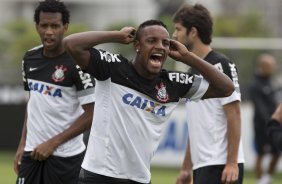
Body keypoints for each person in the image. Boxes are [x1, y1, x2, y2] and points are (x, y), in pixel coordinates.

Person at [63, 19, 235, 184]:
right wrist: (117, 35)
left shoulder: (173, 83)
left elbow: (226, 88)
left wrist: (187, 56)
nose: (159, 46)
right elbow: (71, 43)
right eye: (151, 40)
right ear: (137, 45)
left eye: (165, 43)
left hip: (140, 179)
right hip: (100, 175)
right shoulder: (113, 68)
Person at [14, 1, 95, 184]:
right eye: (44, 25)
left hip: (65, 158)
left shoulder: (77, 63)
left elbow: (92, 113)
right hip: (31, 153)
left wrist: (53, 143)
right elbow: (33, 102)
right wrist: (22, 145)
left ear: (65, 27)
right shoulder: (29, 58)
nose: (48, 31)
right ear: (36, 27)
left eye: (54, 26)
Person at [172, 3, 245, 184]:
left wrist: (231, 163)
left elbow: (234, 113)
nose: (174, 35)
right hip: (202, 166)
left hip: (220, 165)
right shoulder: (191, 72)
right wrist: (186, 167)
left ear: (193, 32)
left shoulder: (220, 65)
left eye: (178, 29)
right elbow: (196, 124)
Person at [249, 53, 280, 184]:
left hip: (274, 125)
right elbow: (260, 108)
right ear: (262, 66)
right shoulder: (256, 85)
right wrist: (271, 122)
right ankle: (259, 180)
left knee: (277, 153)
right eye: (270, 65)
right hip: (262, 126)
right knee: (261, 154)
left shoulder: (273, 82)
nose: (273, 68)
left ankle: (266, 179)